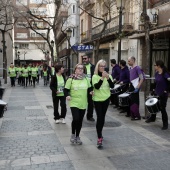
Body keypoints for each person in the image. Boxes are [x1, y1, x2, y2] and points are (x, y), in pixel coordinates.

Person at [64, 63, 92, 145]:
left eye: (82, 68)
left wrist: (91, 91)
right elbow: (66, 89)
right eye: (78, 68)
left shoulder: (86, 79)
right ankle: (73, 134)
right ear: (75, 70)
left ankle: (77, 136)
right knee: (75, 119)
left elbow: (90, 87)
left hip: (83, 102)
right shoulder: (71, 79)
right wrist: (68, 95)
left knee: (80, 120)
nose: (80, 69)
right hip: (74, 102)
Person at [92, 59, 114, 147]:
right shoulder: (95, 76)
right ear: (98, 67)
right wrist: (102, 78)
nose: (102, 68)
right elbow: (96, 87)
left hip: (106, 99)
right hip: (97, 99)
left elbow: (112, 86)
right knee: (99, 117)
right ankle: (99, 137)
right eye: (101, 66)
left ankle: (100, 131)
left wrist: (108, 78)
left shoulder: (109, 76)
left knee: (102, 117)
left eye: (104, 66)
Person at [145, 60, 170, 130]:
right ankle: (152, 118)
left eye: (155, 65)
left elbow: (169, 83)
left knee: (162, 108)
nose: (154, 66)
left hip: (163, 94)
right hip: (157, 92)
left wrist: (166, 90)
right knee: (153, 105)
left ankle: (165, 124)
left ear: (158, 66)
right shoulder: (156, 73)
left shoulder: (165, 74)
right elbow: (156, 83)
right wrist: (153, 90)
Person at [127, 56, 144, 120]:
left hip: (135, 86)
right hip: (131, 86)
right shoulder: (131, 68)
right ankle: (133, 115)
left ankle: (137, 115)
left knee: (135, 101)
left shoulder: (137, 68)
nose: (128, 62)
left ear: (133, 61)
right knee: (131, 101)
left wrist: (137, 87)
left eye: (129, 61)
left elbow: (142, 78)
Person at [82, 54, 95, 121]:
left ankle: (89, 116)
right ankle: (80, 115)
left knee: (90, 102)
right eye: (83, 59)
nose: (84, 60)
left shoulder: (93, 67)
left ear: (89, 59)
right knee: (82, 101)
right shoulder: (81, 67)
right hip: (83, 87)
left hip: (90, 87)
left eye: (85, 58)